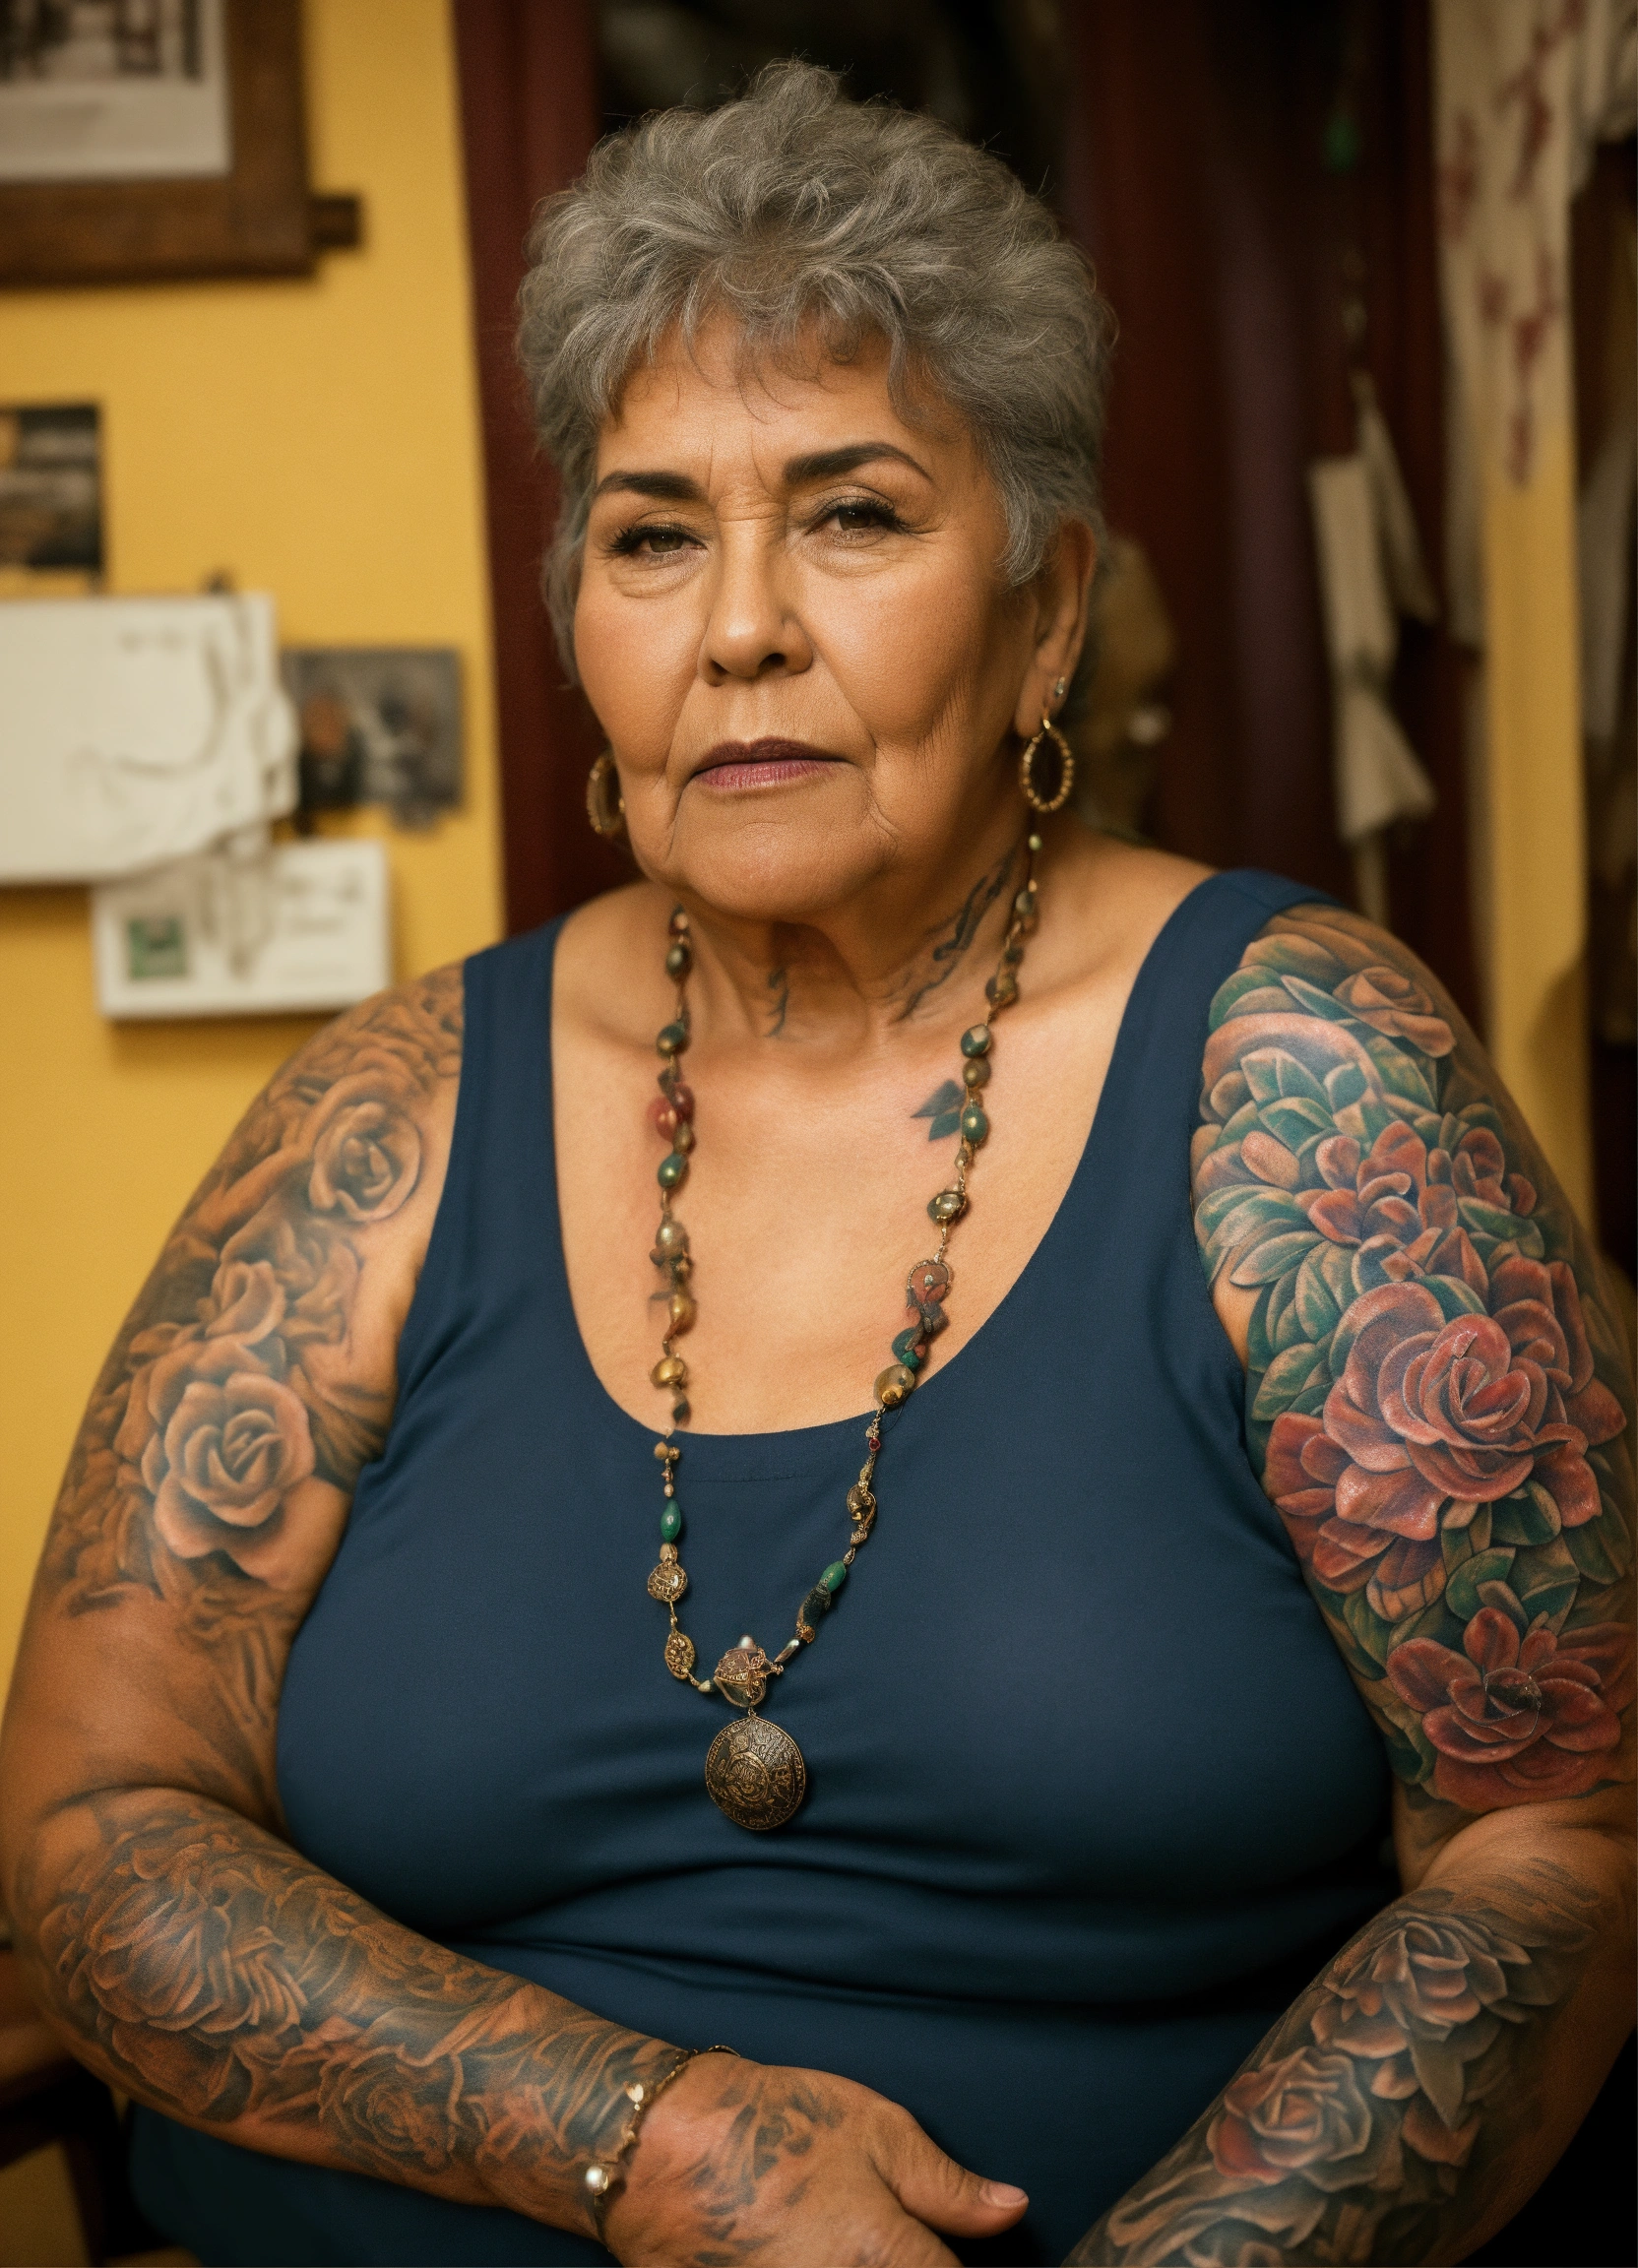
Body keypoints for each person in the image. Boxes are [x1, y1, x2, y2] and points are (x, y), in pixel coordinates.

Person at [1, 62, 1631, 2268]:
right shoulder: (389, 1117)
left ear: (1049, 613)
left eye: (852, 515)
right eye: (653, 533)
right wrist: (645, 2139)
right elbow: (96, 1822)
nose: (739, 625)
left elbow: (1556, 1851)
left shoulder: (1308, 1081)